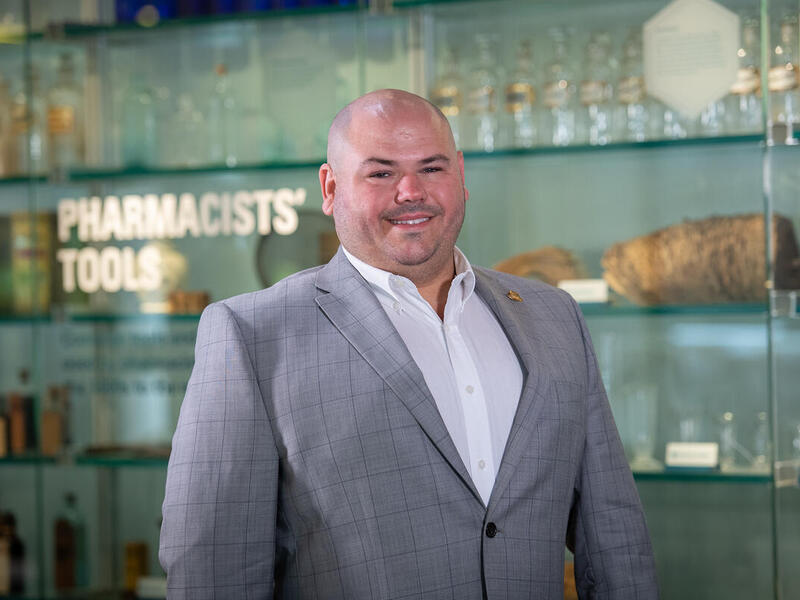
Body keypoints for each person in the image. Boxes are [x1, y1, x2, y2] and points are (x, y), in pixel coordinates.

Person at [159, 89, 658, 599]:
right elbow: (211, 575)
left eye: (432, 168)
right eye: (381, 173)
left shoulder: (553, 316)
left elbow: (616, 539)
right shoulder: (250, 335)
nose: (411, 191)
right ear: (330, 189)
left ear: (461, 176)